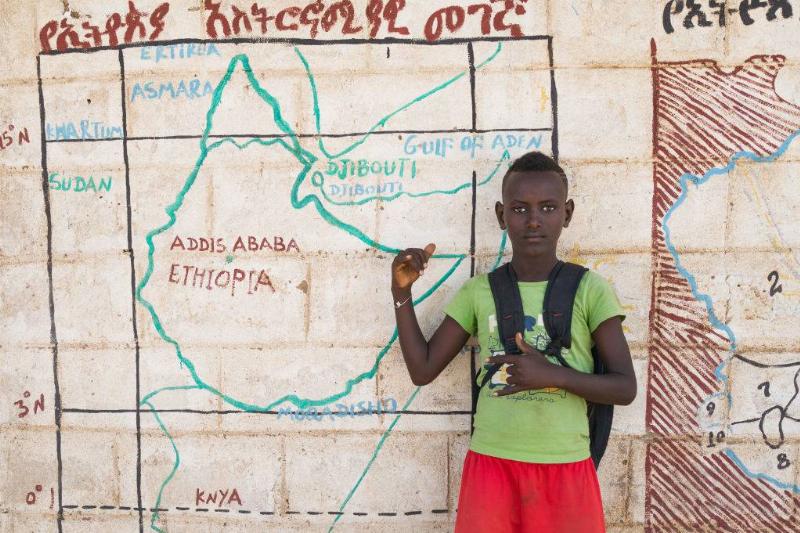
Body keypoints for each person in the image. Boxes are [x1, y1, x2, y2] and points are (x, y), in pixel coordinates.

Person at [390, 151, 637, 533]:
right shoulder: (479, 292)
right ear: (501, 216)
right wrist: (401, 293)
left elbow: (625, 387)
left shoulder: (590, 290)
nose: (534, 220)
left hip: (566, 466)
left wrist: (550, 375)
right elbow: (422, 370)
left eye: (548, 207)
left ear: (567, 214)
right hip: (492, 465)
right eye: (520, 209)